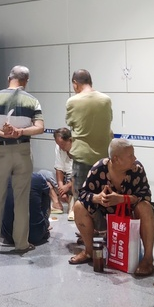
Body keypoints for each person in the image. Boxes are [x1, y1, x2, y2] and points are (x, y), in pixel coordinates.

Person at [0, 65, 45, 254]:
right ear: (26, 81)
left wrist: (2, 134)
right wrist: (20, 132)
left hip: (1, 151)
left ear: (9, 78)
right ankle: (21, 243)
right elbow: (40, 127)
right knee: (21, 198)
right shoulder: (32, 101)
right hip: (22, 151)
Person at [70, 138, 154, 276]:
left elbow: (146, 196)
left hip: (130, 218)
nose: (135, 158)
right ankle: (89, 251)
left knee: (145, 207)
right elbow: (83, 193)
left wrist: (123, 199)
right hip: (105, 218)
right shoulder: (99, 168)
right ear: (116, 159)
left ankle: (148, 259)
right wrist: (97, 198)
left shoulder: (137, 169)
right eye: (130, 155)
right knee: (79, 206)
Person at [65, 69, 113, 206]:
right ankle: (101, 227)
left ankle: (85, 227)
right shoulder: (106, 100)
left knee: (82, 198)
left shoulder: (72, 101)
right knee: (103, 197)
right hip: (103, 158)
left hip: (82, 157)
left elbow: (70, 122)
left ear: (75, 83)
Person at [1, 172, 52, 247]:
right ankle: (43, 223)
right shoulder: (38, 178)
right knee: (47, 191)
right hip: (35, 235)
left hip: (9, 235)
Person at [52, 127, 75, 215]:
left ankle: (73, 207)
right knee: (43, 176)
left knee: (77, 183)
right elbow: (59, 169)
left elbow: (83, 174)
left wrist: (68, 186)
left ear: (70, 140)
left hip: (75, 179)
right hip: (65, 178)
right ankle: (56, 204)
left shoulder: (79, 149)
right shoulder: (59, 147)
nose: (61, 148)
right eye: (59, 145)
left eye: (62, 144)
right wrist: (61, 188)